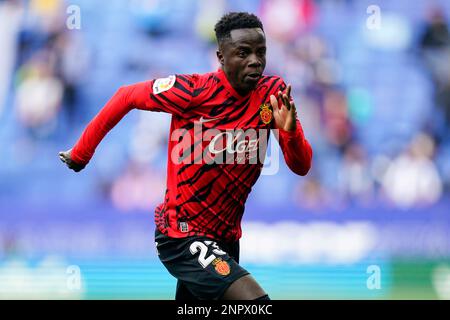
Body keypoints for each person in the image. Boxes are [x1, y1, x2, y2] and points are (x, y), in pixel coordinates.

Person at [59, 12, 312, 300]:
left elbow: (301, 166)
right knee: (256, 302)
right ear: (221, 56)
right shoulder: (192, 91)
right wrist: (81, 154)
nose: (255, 60)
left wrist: (289, 132)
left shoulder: (273, 94)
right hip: (182, 236)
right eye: (243, 53)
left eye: (261, 52)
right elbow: (126, 95)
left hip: (226, 239)